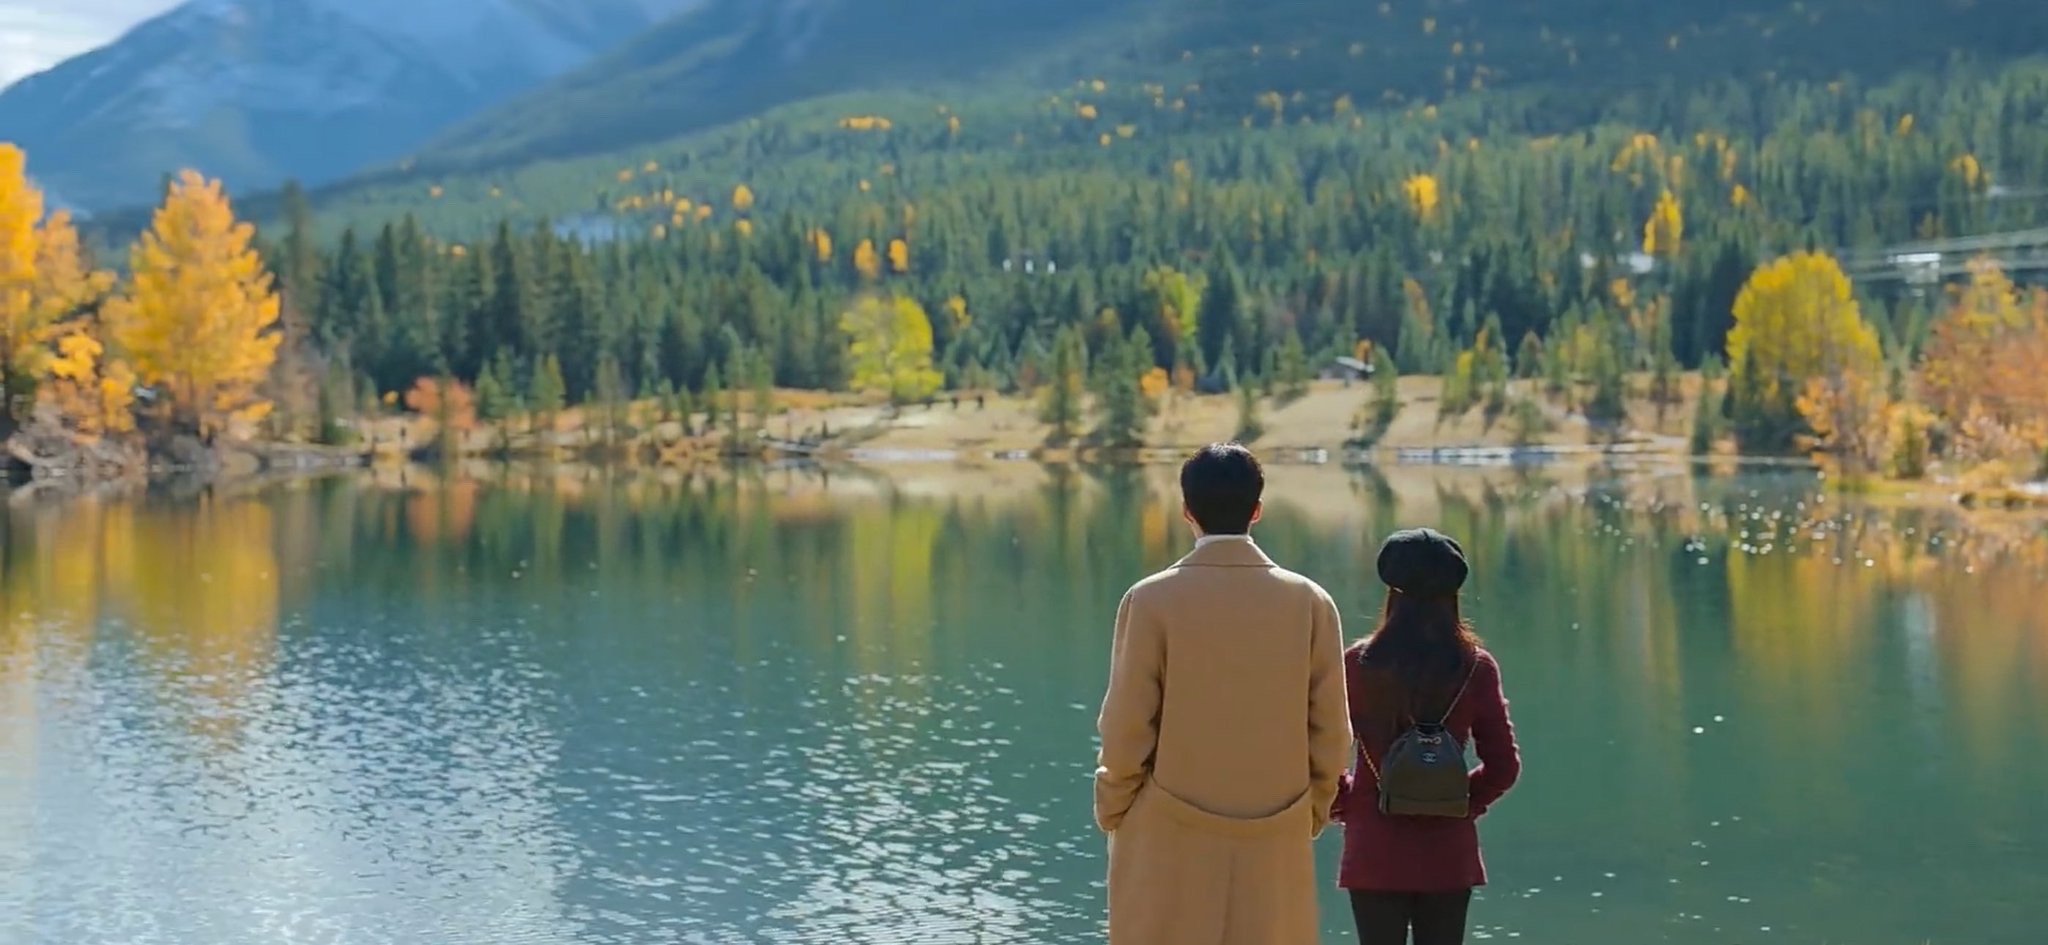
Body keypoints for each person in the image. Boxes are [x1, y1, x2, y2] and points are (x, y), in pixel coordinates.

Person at [1095, 443, 1352, 945]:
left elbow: (1126, 726)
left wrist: (1113, 808)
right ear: (1257, 511)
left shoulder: (1151, 600)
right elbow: (1331, 734)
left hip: (1166, 834)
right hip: (1276, 834)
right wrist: (1310, 811)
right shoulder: (1310, 603)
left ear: (1186, 511)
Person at [1335, 528, 1521, 945]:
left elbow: (1319, 753)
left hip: (1373, 847)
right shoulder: (1476, 667)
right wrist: (1460, 803)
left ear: (1392, 591)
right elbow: (1504, 768)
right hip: (1448, 852)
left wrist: (1346, 803)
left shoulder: (1357, 664)